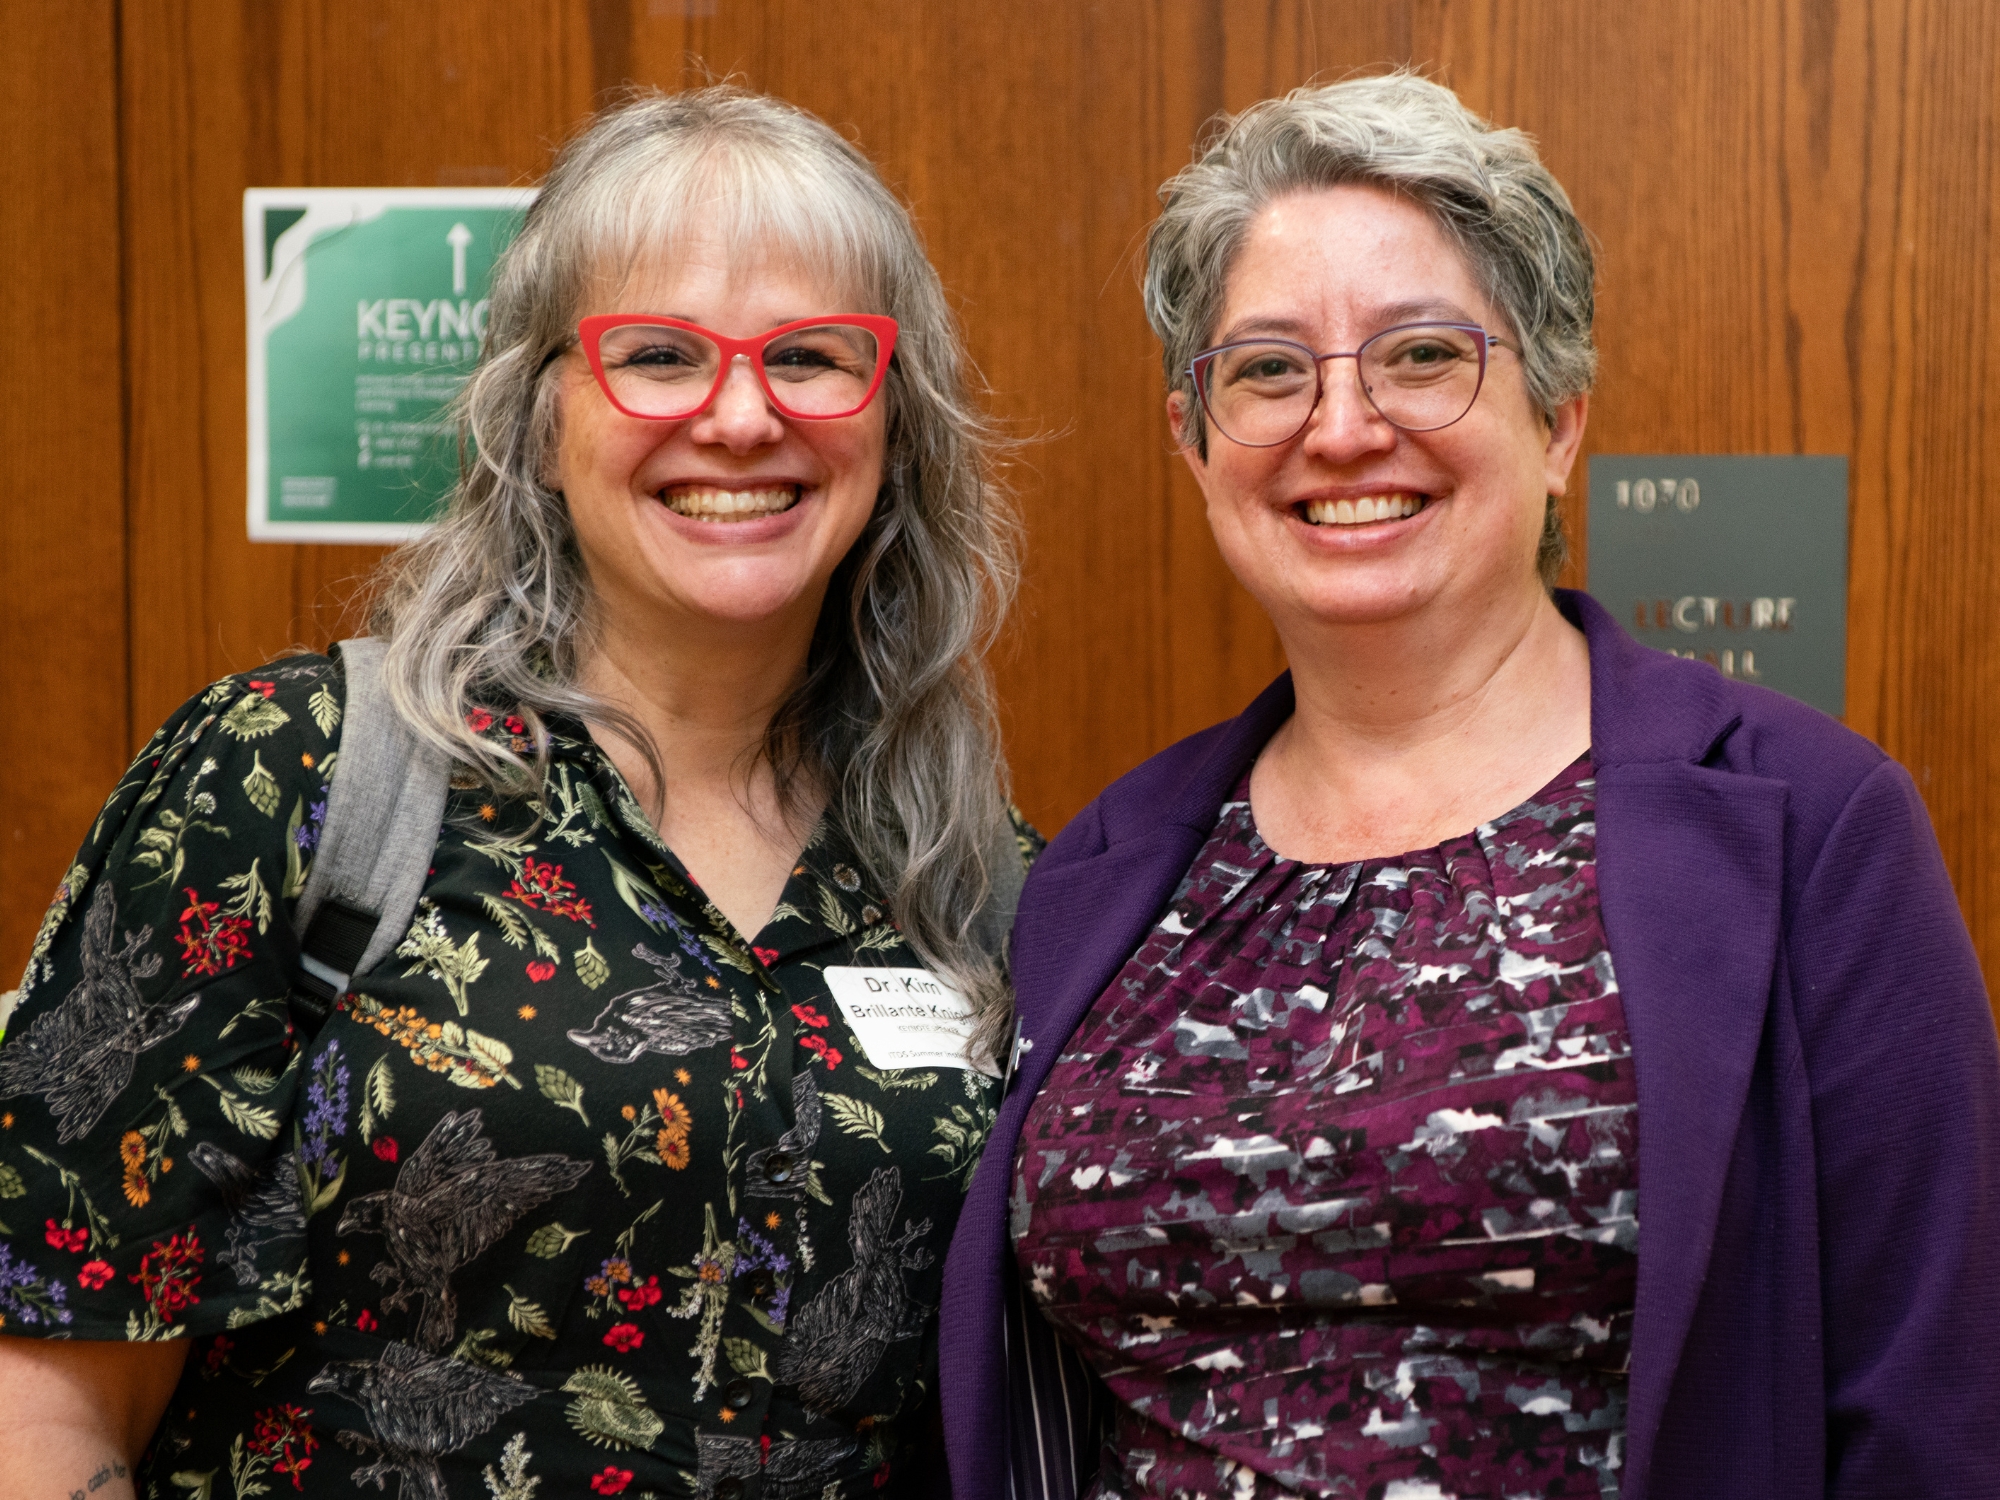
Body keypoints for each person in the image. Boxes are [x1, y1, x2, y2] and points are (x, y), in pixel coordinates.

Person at [941, 72, 2000, 1500]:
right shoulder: (1101, 872)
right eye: (1266, 370)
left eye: (1422, 355)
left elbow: (1935, 1414)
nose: (1341, 426)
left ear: (1559, 416)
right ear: (1193, 445)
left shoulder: (1813, 826)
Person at [0, 85, 1026, 1500]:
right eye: (657, 355)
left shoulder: (967, 879)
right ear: (539, 419)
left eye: (812, 356)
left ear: (894, 425)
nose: (740, 415)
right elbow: (43, 1412)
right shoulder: (296, 778)